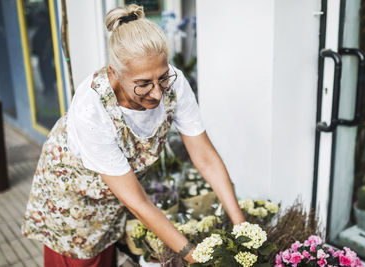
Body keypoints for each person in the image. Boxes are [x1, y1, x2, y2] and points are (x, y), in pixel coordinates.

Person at [21, 4, 245, 266]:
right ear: (115, 73)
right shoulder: (91, 108)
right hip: (73, 200)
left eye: (161, 78)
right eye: (143, 84)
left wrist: (240, 224)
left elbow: (204, 156)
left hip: (116, 193)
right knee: (83, 259)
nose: (158, 93)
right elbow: (137, 201)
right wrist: (192, 255)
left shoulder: (175, 82)